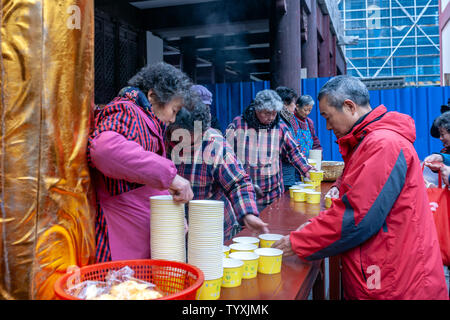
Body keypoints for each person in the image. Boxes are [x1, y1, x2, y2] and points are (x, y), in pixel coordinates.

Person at [273, 75, 449, 300]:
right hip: (387, 269)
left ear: (349, 107)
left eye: (328, 116)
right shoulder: (370, 142)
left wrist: (297, 241)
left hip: (395, 281)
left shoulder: (383, 145)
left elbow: (356, 217)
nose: (327, 126)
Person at [87, 62, 194, 262]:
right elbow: (104, 150)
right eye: (174, 109)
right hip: (119, 246)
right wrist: (170, 176)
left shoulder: (146, 119)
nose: (173, 120)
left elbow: (142, 176)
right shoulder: (127, 110)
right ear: (153, 96)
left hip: (137, 243)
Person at [166, 96, 269, 240]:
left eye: (199, 135)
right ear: (173, 126)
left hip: (213, 228)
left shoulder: (216, 146)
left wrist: (248, 214)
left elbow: (238, 183)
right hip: (171, 225)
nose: (195, 141)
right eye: (189, 137)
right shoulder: (160, 140)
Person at [226, 89, 312, 211]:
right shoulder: (238, 124)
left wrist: (306, 169)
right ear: (257, 109)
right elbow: (225, 153)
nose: (271, 117)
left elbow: (293, 151)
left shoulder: (280, 127)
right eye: (266, 113)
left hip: (273, 193)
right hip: (246, 193)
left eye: (274, 113)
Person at [276, 86, 300, 189]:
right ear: (285, 104)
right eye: (294, 103)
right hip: (282, 177)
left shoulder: (289, 119)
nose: (295, 106)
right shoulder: (277, 121)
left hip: (290, 174)